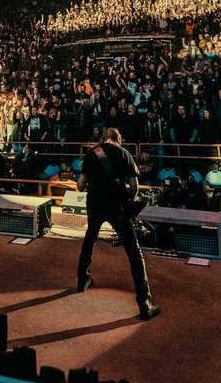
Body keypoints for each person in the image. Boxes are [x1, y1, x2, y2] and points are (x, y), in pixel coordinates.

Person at [75, 127, 160, 320]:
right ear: (117, 139)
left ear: (104, 138)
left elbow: (80, 186)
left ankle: (82, 280)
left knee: (90, 238)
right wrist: (126, 200)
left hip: (95, 204)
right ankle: (144, 303)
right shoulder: (124, 154)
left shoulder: (91, 153)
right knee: (134, 252)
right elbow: (134, 188)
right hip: (117, 207)